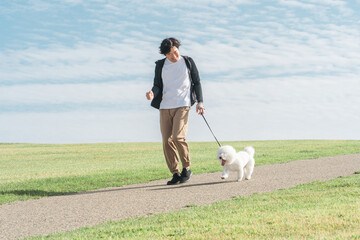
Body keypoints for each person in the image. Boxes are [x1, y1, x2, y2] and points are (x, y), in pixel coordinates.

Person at [146, 37, 204, 185]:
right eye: (170, 54)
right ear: (165, 54)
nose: (174, 56)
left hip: (183, 104)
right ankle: (175, 173)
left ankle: (187, 168)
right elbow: (157, 84)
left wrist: (200, 102)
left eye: (175, 52)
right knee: (167, 141)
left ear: (178, 49)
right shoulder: (161, 65)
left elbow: (197, 82)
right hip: (165, 106)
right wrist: (152, 92)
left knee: (178, 137)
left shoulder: (187, 61)